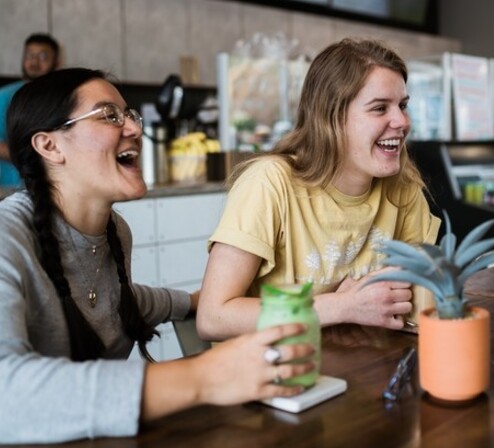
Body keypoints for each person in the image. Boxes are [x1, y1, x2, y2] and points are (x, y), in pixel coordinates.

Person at [0, 68, 315, 444]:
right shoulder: (8, 236)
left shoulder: (115, 231)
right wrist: (205, 376)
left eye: (129, 115)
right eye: (108, 116)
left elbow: (119, 301)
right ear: (49, 146)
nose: (134, 128)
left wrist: (199, 302)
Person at [197, 38, 441, 341]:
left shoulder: (402, 186)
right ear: (331, 117)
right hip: (274, 370)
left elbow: (415, 296)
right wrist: (341, 306)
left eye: (403, 106)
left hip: (361, 363)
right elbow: (213, 317)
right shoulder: (269, 183)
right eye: (380, 108)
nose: (402, 121)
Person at [0, 33, 61, 187]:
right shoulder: (5, 96)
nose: (34, 62)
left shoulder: (63, 98)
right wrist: (35, 159)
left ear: (56, 62)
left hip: (56, 188)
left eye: (42, 56)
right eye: (29, 55)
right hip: (10, 188)